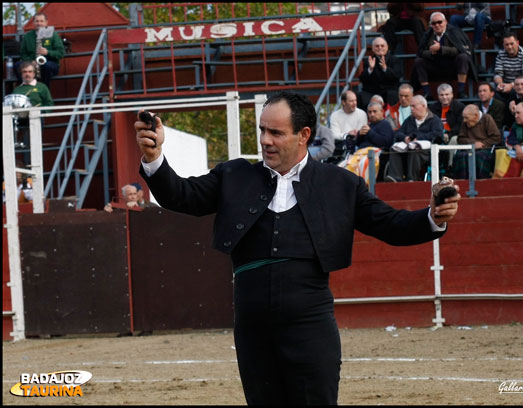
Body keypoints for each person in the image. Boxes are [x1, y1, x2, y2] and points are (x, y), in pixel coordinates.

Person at [135, 90, 461, 405]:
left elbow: (391, 225)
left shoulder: (340, 184)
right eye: (262, 130)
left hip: (310, 322)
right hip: (253, 326)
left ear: (303, 134)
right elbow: (181, 195)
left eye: (276, 133)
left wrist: (432, 216)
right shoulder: (233, 175)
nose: (265, 140)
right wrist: (154, 159)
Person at [412, 12, 477, 100]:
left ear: (445, 22)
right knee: (418, 61)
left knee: (463, 57)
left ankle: (461, 91)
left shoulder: (454, 32)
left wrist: (441, 49)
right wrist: (431, 52)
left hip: (452, 67)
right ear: (431, 25)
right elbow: (421, 52)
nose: (437, 25)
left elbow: (460, 49)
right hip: (435, 67)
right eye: (434, 23)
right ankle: (427, 93)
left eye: (439, 22)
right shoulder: (428, 35)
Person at [385, 95, 445, 182]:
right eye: (411, 106)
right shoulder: (409, 120)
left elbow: (438, 135)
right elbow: (398, 133)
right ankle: (395, 177)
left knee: (415, 150)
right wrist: (404, 138)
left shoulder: (435, 120)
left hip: (427, 151)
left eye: (414, 106)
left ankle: (412, 179)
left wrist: (418, 137)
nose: (411, 109)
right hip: (408, 147)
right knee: (394, 149)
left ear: (424, 106)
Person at [450, 104, 501, 179]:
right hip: (469, 148)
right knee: (460, 156)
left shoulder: (487, 119)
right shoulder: (465, 122)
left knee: (479, 156)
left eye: (467, 118)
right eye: (464, 118)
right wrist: (473, 143)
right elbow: (460, 138)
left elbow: (496, 137)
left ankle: (480, 181)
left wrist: (483, 144)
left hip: (484, 148)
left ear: (476, 116)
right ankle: (461, 182)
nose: (464, 120)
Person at [16, 12, 64, 88]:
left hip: (50, 64)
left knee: (46, 66)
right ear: (34, 23)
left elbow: (61, 53)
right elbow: (23, 53)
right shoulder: (28, 36)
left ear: (46, 22)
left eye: (41, 21)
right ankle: (26, 89)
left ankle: (44, 90)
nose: (39, 23)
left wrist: (47, 52)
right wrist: (30, 61)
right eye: (37, 21)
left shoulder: (53, 34)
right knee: (18, 65)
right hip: (32, 64)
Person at [358, 37, 402, 109]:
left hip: (389, 90)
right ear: (372, 48)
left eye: (382, 46)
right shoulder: (368, 60)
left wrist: (385, 68)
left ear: (387, 47)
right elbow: (362, 79)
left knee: (392, 95)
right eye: (377, 46)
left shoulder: (394, 60)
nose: (380, 48)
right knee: (362, 96)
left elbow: (397, 76)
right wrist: (370, 69)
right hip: (372, 91)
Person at [493, 32, 523, 96]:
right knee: (491, 87)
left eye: (512, 44)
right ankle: (504, 105)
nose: (510, 47)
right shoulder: (500, 54)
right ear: (503, 45)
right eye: (507, 44)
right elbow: (497, 74)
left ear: (517, 43)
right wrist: (501, 84)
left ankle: (522, 105)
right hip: (507, 83)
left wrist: (511, 85)